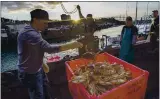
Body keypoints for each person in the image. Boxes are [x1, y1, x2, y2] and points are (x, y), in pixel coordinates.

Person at [17, 9, 83, 99]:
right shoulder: (31, 34)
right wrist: (72, 45)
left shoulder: (33, 30)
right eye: (45, 23)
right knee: (38, 95)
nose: (47, 26)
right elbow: (50, 49)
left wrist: (42, 64)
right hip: (30, 73)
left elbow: (32, 50)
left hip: (38, 68)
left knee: (46, 89)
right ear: (35, 20)